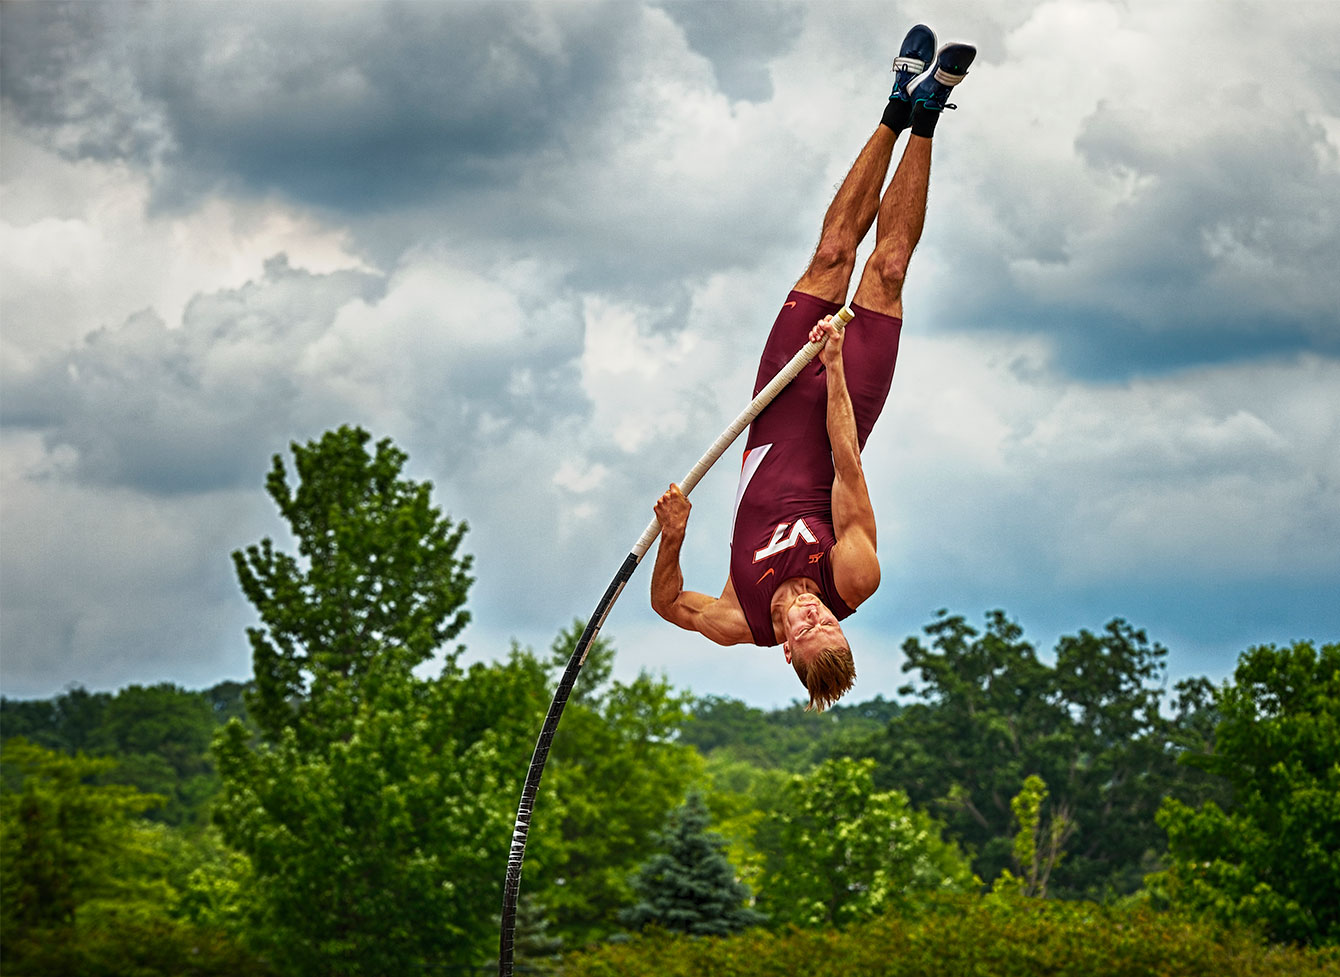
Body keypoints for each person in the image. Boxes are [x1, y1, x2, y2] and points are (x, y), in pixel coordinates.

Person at [649, 26, 976, 711]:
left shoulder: (741, 616)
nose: (813, 616)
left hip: (774, 403)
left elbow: (672, 604)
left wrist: (674, 539)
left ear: (788, 653)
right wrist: (831, 363)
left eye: (807, 629)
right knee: (881, 269)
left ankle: (901, 103)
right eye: (826, 623)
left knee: (831, 256)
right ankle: (923, 107)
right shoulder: (853, 578)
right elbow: (848, 460)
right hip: (841, 408)